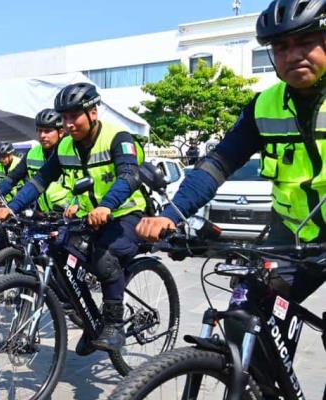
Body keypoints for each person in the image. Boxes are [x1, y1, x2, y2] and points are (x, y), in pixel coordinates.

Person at [136, 3, 326, 394]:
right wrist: (173, 213)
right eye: (280, 47)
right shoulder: (264, 105)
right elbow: (218, 163)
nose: (292, 55)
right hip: (292, 235)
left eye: (306, 42)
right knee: (245, 316)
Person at [0, 83, 146, 353]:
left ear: (93, 113)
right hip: (88, 217)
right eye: (64, 117)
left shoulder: (118, 137)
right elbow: (40, 180)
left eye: (74, 115)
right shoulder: (65, 146)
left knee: (104, 258)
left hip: (125, 213)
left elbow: (130, 175)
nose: (68, 123)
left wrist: (108, 205)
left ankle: (113, 325)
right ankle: (91, 322)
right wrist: (13, 206)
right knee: (58, 248)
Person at [0, 109, 72, 213]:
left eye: (47, 131)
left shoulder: (69, 151)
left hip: (69, 214)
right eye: (39, 130)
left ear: (61, 132)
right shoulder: (32, 153)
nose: (42, 135)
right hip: (42, 213)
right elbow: (13, 178)